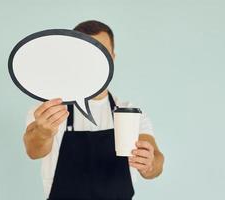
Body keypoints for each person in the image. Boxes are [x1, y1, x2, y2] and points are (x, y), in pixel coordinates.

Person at [23, 20, 164, 200]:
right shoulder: (50, 109)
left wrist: (149, 164)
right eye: (86, 54)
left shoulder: (129, 112)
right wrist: (43, 132)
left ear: (112, 57)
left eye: (102, 53)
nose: (94, 62)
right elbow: (33, 151)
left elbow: (156, 161)